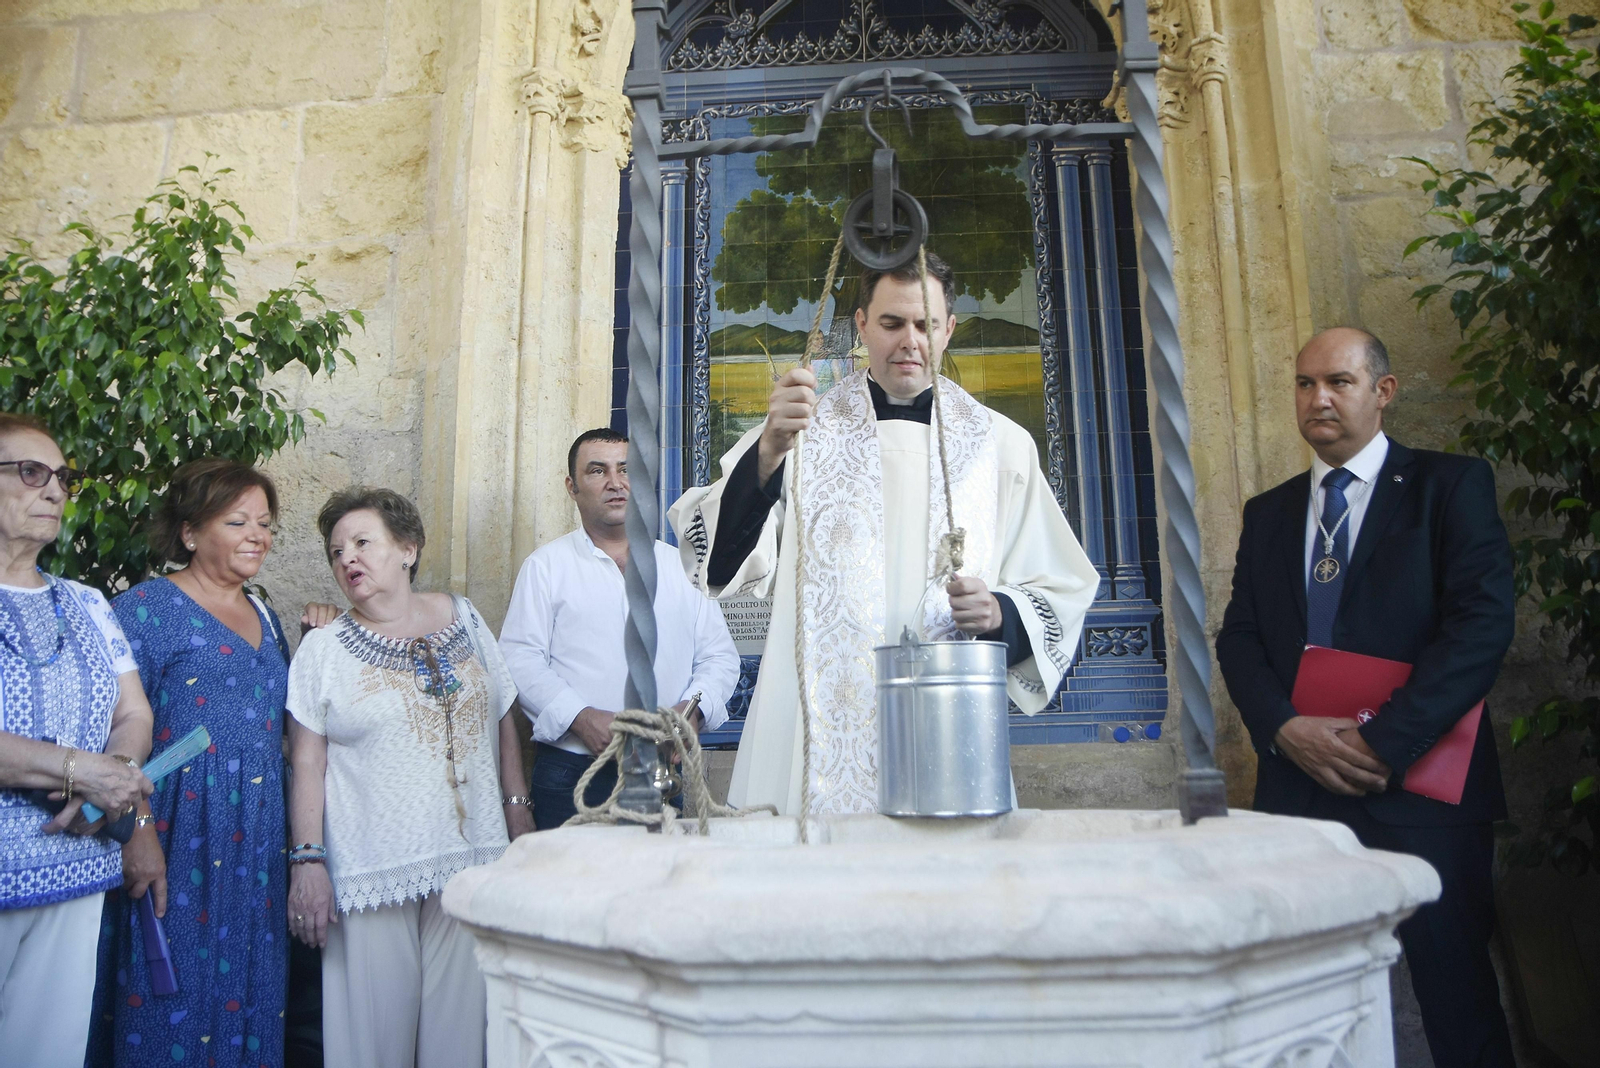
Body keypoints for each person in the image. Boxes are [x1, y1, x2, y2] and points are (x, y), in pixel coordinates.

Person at [670, 254, 1099, 816]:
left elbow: (1059, 584)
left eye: (925, 325)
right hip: (811, 723)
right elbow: (719, 563)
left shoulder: (1002, 447)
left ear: (949, 330)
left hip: (947, 724)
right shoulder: (797, 436)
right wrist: (770, 450)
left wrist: (1000, 614)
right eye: (893, 324)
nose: (909, 342)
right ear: (861, 326)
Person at [1216, 327, 1515, 1068]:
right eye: (1305, 383)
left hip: (1424, 790)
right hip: (1302, 793)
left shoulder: (1451, 486)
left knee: (1458, 997)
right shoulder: (1271, 511)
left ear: (1382, 392)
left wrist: (1383, 743)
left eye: (1339, 383)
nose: (1318, 399)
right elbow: (1240, 638)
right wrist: (1285, 730)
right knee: (1301, 1002)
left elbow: (1480, 630)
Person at [285, 487, 531, 1068]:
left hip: (471, 858)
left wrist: (517, 807)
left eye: (363, 542)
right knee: (372, 1042)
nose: (348, 558)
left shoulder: (466, 618)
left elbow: (501, 715)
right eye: (337, 550)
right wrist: (307, 861)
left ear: (408, 549)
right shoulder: (322, 650)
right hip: (373, 866)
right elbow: (306, 761)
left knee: (461, 1040)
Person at [87, 460, 298, 1067]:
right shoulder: (145, 610)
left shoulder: (266, 616)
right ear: (189, 532)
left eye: (265, 522)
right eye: (237, 521)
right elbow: (115, 734)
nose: (258, 534)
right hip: (176, 833)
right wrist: (139, 833)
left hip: (255, 842)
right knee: (166, 991)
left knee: (249, 991)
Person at [0, 413, 155, 1068]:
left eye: (63, 477)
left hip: (75, 865)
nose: (56, 490)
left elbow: (134, 712)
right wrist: (76, 771)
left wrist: (116, 773)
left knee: (49, 1053)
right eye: (32, 473)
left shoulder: (86, 602)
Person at [500, 428, 740, 830]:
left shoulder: (682, 566)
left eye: (626, 470)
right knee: (573, 892)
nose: (615, 482)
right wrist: (579, 717)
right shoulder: (546, 568)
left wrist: (694, 711)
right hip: (573, 775)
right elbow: (518, 658)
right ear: (572, 487)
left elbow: (719, 656)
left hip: (662, 772)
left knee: (654, 889)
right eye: (597, 471)